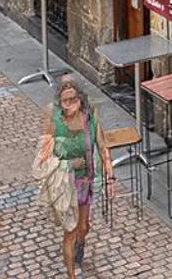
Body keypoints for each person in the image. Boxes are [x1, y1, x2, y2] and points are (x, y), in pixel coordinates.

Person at [38, 74, 113, 279]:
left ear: (81, 98)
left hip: (85, 181)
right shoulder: (54, 120)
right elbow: (44, 158)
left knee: (83, 227)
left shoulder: (90, 116)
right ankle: (71, 275)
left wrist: (110, 174)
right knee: (69, 231)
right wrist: (68, 164)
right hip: (65, 184)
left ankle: (81, 243)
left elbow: (102, 143)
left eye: (73, 99)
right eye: (65, 101)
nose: (69, 104)